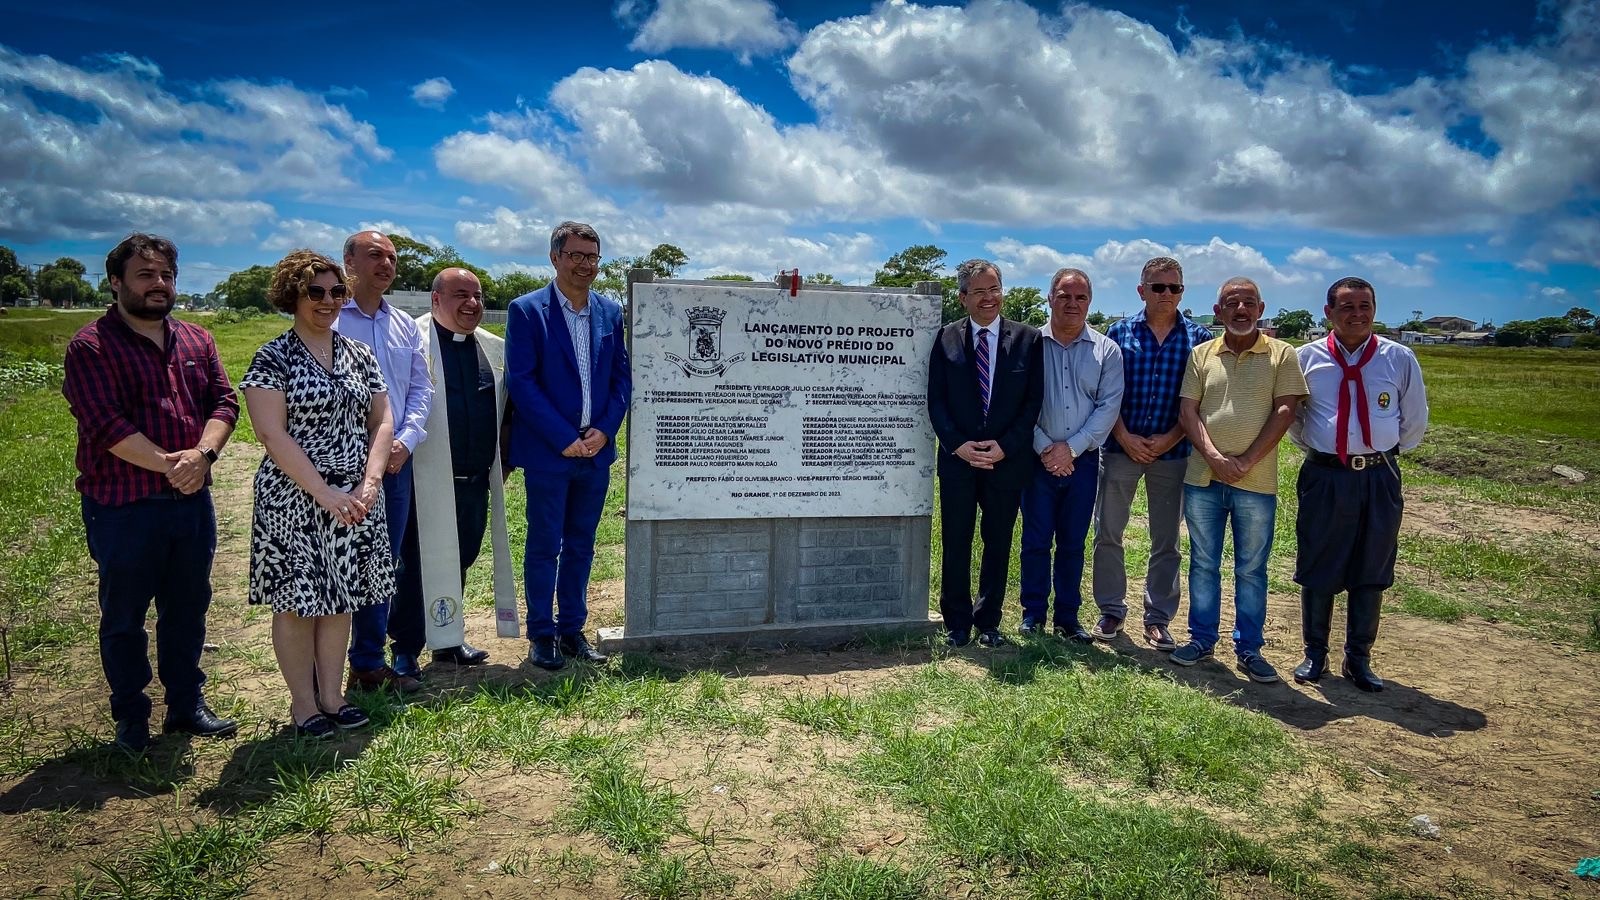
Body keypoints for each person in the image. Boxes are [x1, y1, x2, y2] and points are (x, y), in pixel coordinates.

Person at [64, 233, 240, 751]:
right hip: (122, 504)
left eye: (166, 274)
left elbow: (224, 403)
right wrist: (172, 464)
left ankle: (186, 705)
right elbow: (104, 423)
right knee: (125, 615)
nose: (159, 284)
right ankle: (131, 716)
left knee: (188, 606)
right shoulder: (91, 346)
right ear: (116, 282)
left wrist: (202, 456)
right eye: (145, 274)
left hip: (190, 500)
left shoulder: (196, 340)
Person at [240, 249, 395, 738]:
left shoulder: (359, 354)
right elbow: (272, 434)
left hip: (356, 498)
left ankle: (333, 696)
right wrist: (324, 492)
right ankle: (303, 706)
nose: (327, 301)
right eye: (315, 292)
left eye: (336, 292)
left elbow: (383, 420)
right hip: (295, 500)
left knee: (341, 599)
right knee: (298, 603)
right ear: (293, 295)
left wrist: (369, 484)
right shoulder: (273, 356)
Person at [1289, 277, 1428, 692]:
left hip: (1378, 476)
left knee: (1373, 564)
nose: (1358, 314)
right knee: (1319, 563)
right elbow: (1295, 419)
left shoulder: (1398, 358)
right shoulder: (1305, 358)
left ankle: (1359, 658)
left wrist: (1376, 451)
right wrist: (1327, 446)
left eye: (1365, 305)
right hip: (1325, 476)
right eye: (1347, 307)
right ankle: (1315, 653)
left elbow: (1413, 418)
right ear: (1328, 313)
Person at [506, 221, 631, 670]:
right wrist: (564, 438)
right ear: (555, 257)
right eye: (576, 255)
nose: (585, 265)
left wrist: (605, 430)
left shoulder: (610, 313)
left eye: (593, 257)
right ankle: (542, 633)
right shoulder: (527, 311)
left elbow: (621, 380)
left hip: (596, 453)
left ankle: (572, 629)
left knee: (582, 543)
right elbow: (522, 382)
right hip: (549, 453)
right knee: (544, 544)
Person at [1172, 277, 1308, 683]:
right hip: (1203, 477)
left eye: (1248, 303)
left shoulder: (1282, 355)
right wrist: (1214, 456)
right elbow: (1188, 412)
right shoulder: (1201, 354)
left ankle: (1249, 647)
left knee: (1252, 568)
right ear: (1218, 312)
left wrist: (1246, 460)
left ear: (1261, 308)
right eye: (1232, 303)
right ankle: (1200, 639)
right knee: (1203, 563)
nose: (1241, 310)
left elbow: (1285, 411)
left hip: (1256, 480)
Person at [390, 268, 518, 673]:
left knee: (460, 557)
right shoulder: (412, 341)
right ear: (435, 299)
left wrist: (504, 464)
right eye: (461, 295)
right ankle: (405, 645)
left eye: (478, 296)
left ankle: (446, 639)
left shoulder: (493, 348)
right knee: (416, 562)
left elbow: (506, 414)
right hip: (423, 481)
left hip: (474, 481)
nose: (472, 304)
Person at [1092, 258, 1216, 650]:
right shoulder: (1118, 333)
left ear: (1182, 291)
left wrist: (1168, 438)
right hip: (1119, 447)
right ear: (1141, 289)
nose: (1166, 294)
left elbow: (1200, 401)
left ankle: (1158, 617)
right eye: (1158, 287)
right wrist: (1125, 437)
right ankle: (1111, 609)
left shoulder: (1198, 339)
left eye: (1174, 288)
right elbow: (1106, 394)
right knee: (1108, 532)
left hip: (1174, 451)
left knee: (1167, 540)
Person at [927, 259, 1044, 647]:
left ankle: (989, 621)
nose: (989, 298)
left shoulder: (1028, 340)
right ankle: (956, 623)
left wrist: (1004, 447)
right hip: (959, 461)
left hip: (1005, 462)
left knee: (998, 542)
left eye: (994, 289)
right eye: (979, 291)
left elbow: (1032, 403)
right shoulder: (944, 339)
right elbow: (936, 401)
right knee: (956, 540)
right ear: (963, 298)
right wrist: (958, 445)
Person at [338, 231, 432, 692]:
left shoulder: (404, 326)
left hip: (395, 464)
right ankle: (321, 666)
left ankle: (368, 661)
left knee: (381, 561)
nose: (386, 264)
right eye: (374, 255)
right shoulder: (329, 319)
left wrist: (406, 440)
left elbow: (420, 388)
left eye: (392, 258)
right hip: (337, 463)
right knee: (336, 563)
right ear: (348, 261)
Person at [1019, 268, 1123, 642]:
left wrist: (1072, 449)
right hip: (1035, 460)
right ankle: (1032, 613)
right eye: (1064, 295)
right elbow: (1018, 403)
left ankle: (1068, 616)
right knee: (1035, 540)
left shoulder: (1106, 350)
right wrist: (1046, 447)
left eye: (1080, 297)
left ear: (1090, 302)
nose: (1072, 304)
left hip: (1083, 462)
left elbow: (1108, 407)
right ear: (1050, 299)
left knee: (1072, 542)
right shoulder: (1028, 344)